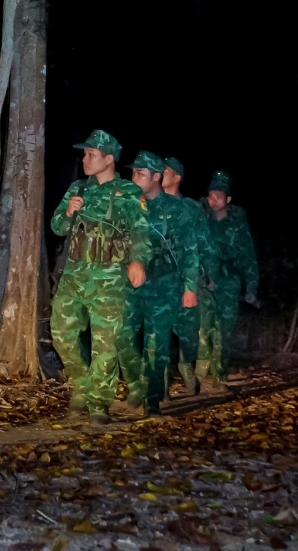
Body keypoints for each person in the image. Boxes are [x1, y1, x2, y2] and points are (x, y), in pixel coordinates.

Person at [49, 130, 151, 425]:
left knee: (105, 343)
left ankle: (98, 404)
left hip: (110, 277)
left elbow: (140, 231)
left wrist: (138, 261)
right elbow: (57, 227)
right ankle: (83, 384)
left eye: (91, 154)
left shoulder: (128, 192)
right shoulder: (78, 188)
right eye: (84, 153)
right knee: (61, 333)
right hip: (74, 274)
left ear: (109, 159)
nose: (85, 158)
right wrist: (68, 213)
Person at [117, 151, 203, 414]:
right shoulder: (127, 204)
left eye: (140, 173)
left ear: (156, 177)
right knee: (122, 336)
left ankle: (152, 402)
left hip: (165, 284)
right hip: (130, 283)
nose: (134, 177)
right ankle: (137, 385)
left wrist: (190, 287)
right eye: (133, 172)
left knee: (156, 345)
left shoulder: (177, 210)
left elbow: (190, 251)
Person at [156, 156, 218, 396]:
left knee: (189, 333)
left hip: (188, 278)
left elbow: (205, 243)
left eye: (166, 171)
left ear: (177, 177)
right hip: (160, 278)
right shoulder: (149, 203)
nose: (160, 173)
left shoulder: (190, 208)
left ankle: (186, 366)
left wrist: (210, 275)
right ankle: (159, 391)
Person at [198, 170, 260, 385]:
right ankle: (201, 372)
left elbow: (247, 254)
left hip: (229, 281)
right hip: (203, 280)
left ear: (228, 199)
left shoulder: (237, 221)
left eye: (219, 196)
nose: (213, 200)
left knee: (224, 329)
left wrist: (251, 287)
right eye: (211, 195)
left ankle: (219, 373)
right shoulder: (201, 216)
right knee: (203, 327)